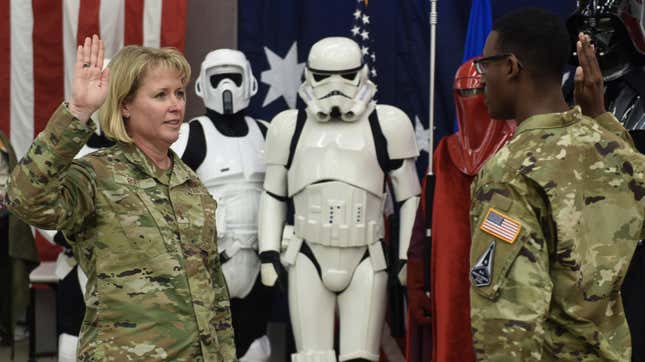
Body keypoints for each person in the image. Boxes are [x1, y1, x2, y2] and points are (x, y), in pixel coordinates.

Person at [5, 35, 236, 361]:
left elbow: (213, 290)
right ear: (125, 105)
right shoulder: (97, 175)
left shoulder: (191, 184)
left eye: (179, 93)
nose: (176, 105)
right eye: (160, 95)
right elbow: (23, 197)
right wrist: (78, 111)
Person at [469, 8, 645, 360]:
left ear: (511, 66)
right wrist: (601, 121)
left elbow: (509, 322)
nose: (481, 76)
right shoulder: (615, 152)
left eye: (485, 64)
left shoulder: (510, 171)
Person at [258, 36, 420, 362]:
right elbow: (273, 192)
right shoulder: (288, 126)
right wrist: (268, 252)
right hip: (307, 254)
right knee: (311, 356)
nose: (335, 86)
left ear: (361, 73)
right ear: (309, 76)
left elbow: (409, 197)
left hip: (366, 256)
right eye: (323, 76)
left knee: (361, 356)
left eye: (346, 75)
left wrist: (405, 257)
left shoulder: (387, 123)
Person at [406, 57, 515, 362]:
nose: (472, 102)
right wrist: (416, 283)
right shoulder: (444, 154)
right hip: (449, 282)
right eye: (464, 94)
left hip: (507, 275)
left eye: (479, 92)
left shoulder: (518, 149)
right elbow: (422, 224)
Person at [171, 48, 272, 361]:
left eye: (234, 77)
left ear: (249, 83)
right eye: (219, 78)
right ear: (203, 85)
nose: (226, 86)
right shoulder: (188, 135)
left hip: (259, 262)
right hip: (210, 264)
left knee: (256, 347)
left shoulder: (267, 133)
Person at [565, 2, 645, 360]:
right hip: (576, 259)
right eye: (585, 27)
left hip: (635, 261)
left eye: (603, 26)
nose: (592, 38)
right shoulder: (561, 94)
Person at [0, 130, 38, 356]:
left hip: (4, 226)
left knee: (7, 282)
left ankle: (5, 327)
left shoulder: (2, 141)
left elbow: (11, 179)